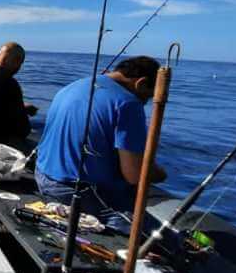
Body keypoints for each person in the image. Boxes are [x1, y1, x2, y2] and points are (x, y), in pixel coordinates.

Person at [35, 56, 167, 232]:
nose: (145, 103)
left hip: (42, 176)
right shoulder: (129, 104)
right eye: (147, 97)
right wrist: (159, 174)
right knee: (160, 238)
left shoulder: (74, 85)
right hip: (74, 191)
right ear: (141, 83)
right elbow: (134, 175)